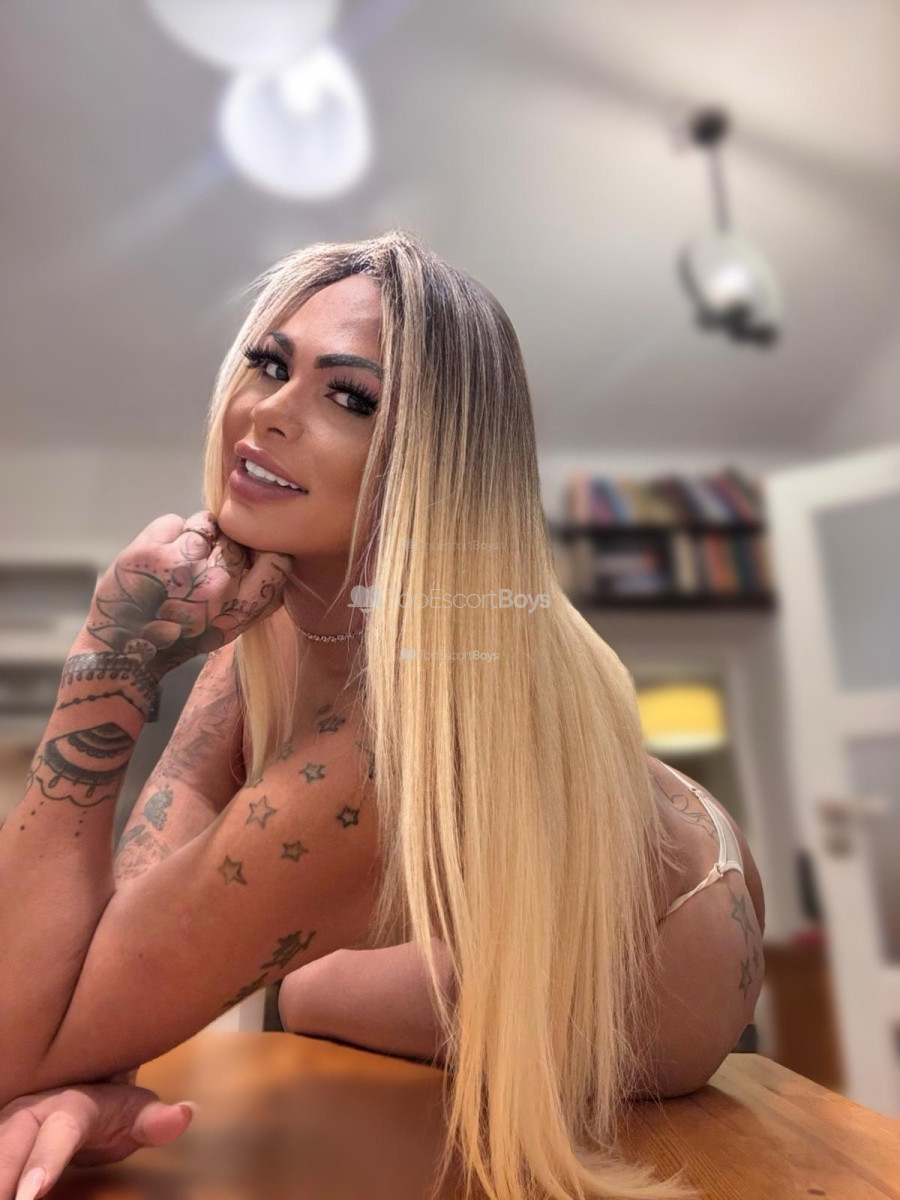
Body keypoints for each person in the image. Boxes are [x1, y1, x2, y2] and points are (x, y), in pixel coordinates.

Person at [0, 230, 764, 1200]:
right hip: (625, 850)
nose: (270, 411)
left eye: (350, 398)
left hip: (666, 958)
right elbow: (103, 956)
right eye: (269, 365)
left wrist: (103, 666)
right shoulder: (284, 613)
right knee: (295, 987)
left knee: (308, 993)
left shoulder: (370, 763)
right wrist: (80, 1060)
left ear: (432, 464)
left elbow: (18, 1038)